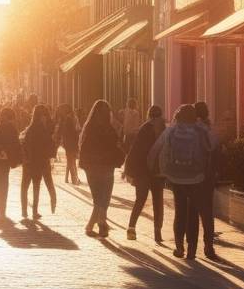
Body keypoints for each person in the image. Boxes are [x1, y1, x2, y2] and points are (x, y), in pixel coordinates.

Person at [148, 104, 212, 260]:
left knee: (180, 211)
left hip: (176, 177)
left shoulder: (171, 130)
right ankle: (192, 250)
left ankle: (179, 247)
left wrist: (155, 170)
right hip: (196, 177)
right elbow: (211, 147)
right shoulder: (200, 130)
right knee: (193, 213)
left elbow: (155, 150)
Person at [79, 100, 124, 238]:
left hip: (91, 167)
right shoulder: (109, 128)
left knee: (98, 198)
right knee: (103, 197)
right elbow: (116, 145)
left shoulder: (89, 127)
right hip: (106, 167)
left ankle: (96, 224)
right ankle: (99, 223)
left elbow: (84, 148)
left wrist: (84, 164)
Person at [124, 105, 167, 242]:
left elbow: (135, 150)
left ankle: (131, 228)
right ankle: (157, 232)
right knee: (158, 201)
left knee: (140, 199)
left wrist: (129, 169)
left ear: (149, 115)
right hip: (157, 171)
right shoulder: (164, 130)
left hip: (142, 171)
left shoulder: (145, 128)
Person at [194, 101, 220, 259]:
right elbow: (216, 151)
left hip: (192, 176)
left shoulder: (192, 130)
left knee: (192, 212)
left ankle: (190, 246)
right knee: (207, 212)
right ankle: (208, 246)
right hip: (207, 176)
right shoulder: (211, 129)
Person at [20, 105, 57, 220]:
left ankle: (24, 211)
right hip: (39, 162)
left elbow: (26, 145)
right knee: (36, 186)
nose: (46, 118)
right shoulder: (42, 129)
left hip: (28, 163)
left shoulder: (30, 129)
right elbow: (49, 145)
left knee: (25, 186)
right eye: (45, 116)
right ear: (42, 116)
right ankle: (34, 211)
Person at [0, 107, 22, 226]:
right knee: (3, 185)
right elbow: (14, 144)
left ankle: (0, 212)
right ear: (9, 118)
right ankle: (2, 212)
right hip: (2, 162)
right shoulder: (8, 127)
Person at [56, 104, 80, 185]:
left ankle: (69, 178)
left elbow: (65, 132)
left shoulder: (67, 119)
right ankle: (73, 178)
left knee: (70, 160)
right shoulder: (69, 119)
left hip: (69, 143)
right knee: (71, 160)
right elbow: (73, 132)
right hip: (71, 143)